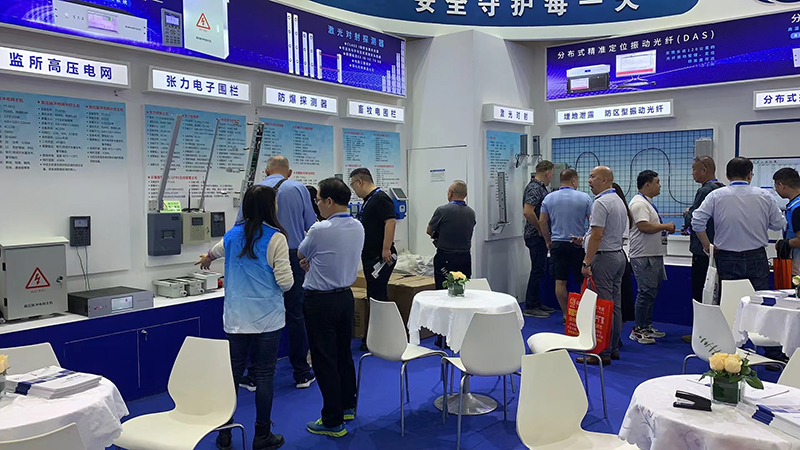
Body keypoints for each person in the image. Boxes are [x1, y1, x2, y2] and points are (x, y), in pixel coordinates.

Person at [198, 185, 291, 450]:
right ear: (270, 206)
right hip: (267, 319)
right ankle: (262, 435)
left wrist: (206, 258)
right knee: (264, 375)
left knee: (232, 375)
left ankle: (225, 433)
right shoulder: (276, 239)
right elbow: (286, 283)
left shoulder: (232, 235)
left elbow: (215, 252)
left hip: (236, 318)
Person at [240, 156, 316, 390]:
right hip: (292, 255)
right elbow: (311, 224)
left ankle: (255, 375)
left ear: (266, 171)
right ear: (289, 172)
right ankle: (302, 373)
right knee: (295, 314)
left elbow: (240, 225)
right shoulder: (298, 188)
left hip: (259, 256)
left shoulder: (253, 191)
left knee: (260, 314)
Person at [298, 178, 365, 438]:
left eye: (318, 200)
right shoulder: (358, 226)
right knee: (343, 355)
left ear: (328, 201)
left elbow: (301, 254)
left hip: (320, 301)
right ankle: (348, 406)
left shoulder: (319, 229)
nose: (317, 205)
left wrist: (310, 262)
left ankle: (332, 420)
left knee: (324, 359)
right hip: (345, 298)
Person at [692, 157, 785, 295]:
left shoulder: (715, 196)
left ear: (727, 176)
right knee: (758, 301)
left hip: (726, 258)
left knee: (729, 302)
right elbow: (779, 224)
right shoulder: (764, 196)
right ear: (749, 175)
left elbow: (697, 221)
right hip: (756, 257)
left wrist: (706, 245)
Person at [577, 167, 628, 366]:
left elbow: (597, 235)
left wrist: (586, 262)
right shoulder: (618, 200)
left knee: (602, 306)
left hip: (603, 259)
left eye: (593, 177)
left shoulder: (601, 203)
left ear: (605, 180)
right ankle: (613, 347)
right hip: (618, 256)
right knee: (614, 305)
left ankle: (602, 352)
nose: (589, 180)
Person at [350, 168, 397, 351]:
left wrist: (386, 248)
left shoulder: (380, 198)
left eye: (353, 185)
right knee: (373, 295)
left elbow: (390, 222)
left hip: (381, 257)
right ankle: (375, 336)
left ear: (360, 182)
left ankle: (382, 337)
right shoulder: (369, 200)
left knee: (378, 297)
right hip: (370, 256)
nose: (354, 190)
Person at [680, 156, 724, 343]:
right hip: (720, 251)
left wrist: (688, 213)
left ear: (704, 170)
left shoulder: (705, 191)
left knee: (701, 293)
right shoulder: (722, 189)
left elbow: (695, 219)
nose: (692, 173)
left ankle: (701, 335)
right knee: (717, 294)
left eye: (694, 169)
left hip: (703, 252)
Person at [538, 169, 592, 322]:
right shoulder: (585, 198)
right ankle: (581, 315)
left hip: (557, 243)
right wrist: (585, 238)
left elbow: (542, 222)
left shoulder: (549, 198)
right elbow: (593, 222)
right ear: (574, 180)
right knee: (582, 281)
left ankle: (566, 314)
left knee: (560, 282)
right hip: (578, 244)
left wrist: (548, 240)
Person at [628, 170, 675, 345]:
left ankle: (646, 325)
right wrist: (665, 226)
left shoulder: (646, 202)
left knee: (651, 292)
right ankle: (638, 329)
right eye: (657, 182)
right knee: (645, 292)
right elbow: (643, 226)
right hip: (643, 255)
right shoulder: (639, 204)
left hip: (652, 254)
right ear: (647, 185)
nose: (660, 185)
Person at [522, 160, 557, 318]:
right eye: (552, 174)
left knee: (540, 269)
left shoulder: (540, 188)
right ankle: (530, 305)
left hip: (538, 235)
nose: (552, 177)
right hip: (535, 235)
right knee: (537, 270)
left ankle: (536, 302)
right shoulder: (535, 188)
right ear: (547, 173)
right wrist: (541, 229)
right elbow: (528, 211)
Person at [427, 180, 476, 289]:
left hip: (446, 257)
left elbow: (429, 230)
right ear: (465, 195)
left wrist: (437, 236)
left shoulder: (442, 210)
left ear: (450, 193)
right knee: (462, 288)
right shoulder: (471, 213)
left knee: (443, 288)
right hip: (465, 257)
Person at [774, 168, 800, 275]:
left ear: (781, 186)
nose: (775, 190)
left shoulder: (797, 209)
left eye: (775, 186)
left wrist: (785, 243)